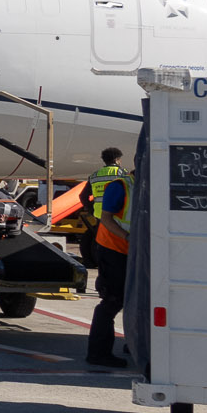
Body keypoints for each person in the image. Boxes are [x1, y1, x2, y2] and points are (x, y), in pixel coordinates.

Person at [87, 165, 132, 367]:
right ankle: (98, 353)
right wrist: (128, 237)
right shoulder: (121, 186)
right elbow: (106, 218)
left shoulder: (145, 186)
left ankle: (132, 344)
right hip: (113, 249)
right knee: (113, 300)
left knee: (133, 299)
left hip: (131, 251)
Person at [80, 147, 127, 269]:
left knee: (100, 241)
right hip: (118, 215)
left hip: (100, 214)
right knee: (116, 243)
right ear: (117, 159)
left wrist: (92, 210)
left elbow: (83, 196)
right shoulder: (122, 174)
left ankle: (98, 263)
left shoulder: (94, 175)